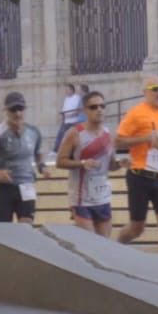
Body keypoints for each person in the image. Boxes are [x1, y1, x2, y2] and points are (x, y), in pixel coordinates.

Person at [114, 76, 158, 261]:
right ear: (145, 92)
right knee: (137, 227)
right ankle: (116, 245)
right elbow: (118, 141)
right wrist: (144, 139)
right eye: (156, 89)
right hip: (139, 174)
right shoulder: (135, 113)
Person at [0, 91, 48, 224]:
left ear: (25, 110)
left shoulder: (33, 132)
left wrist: (42, 167)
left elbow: (38, 152)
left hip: (26, 185)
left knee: (26, 229)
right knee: (5, 232)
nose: (17, 113)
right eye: (13, 109)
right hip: (3, 188)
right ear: (6, 111)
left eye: (20, 109)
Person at [56, 90, 121, 237]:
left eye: (102, 106)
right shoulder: (75, 133)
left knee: (105, 246)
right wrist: (82, 163)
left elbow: (110, 166)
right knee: (90, 244)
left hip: (102, 196)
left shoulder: (108, 134)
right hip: (81, 199)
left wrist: (121, 164)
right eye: (93, 107)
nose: (99, 110)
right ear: (85, 110)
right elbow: (60, 161)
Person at [55, 83, 84, 152]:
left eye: (67, 90)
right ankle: (56, 150)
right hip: (66, 121)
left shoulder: (77, 98)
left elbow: (78, 109)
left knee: (73, 136)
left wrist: (71, 115)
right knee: (60, 135)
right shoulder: (66, 99)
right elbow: (64, 109)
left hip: (73, 121)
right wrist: (63, 116)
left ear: (72, 90)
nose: (66, 91)